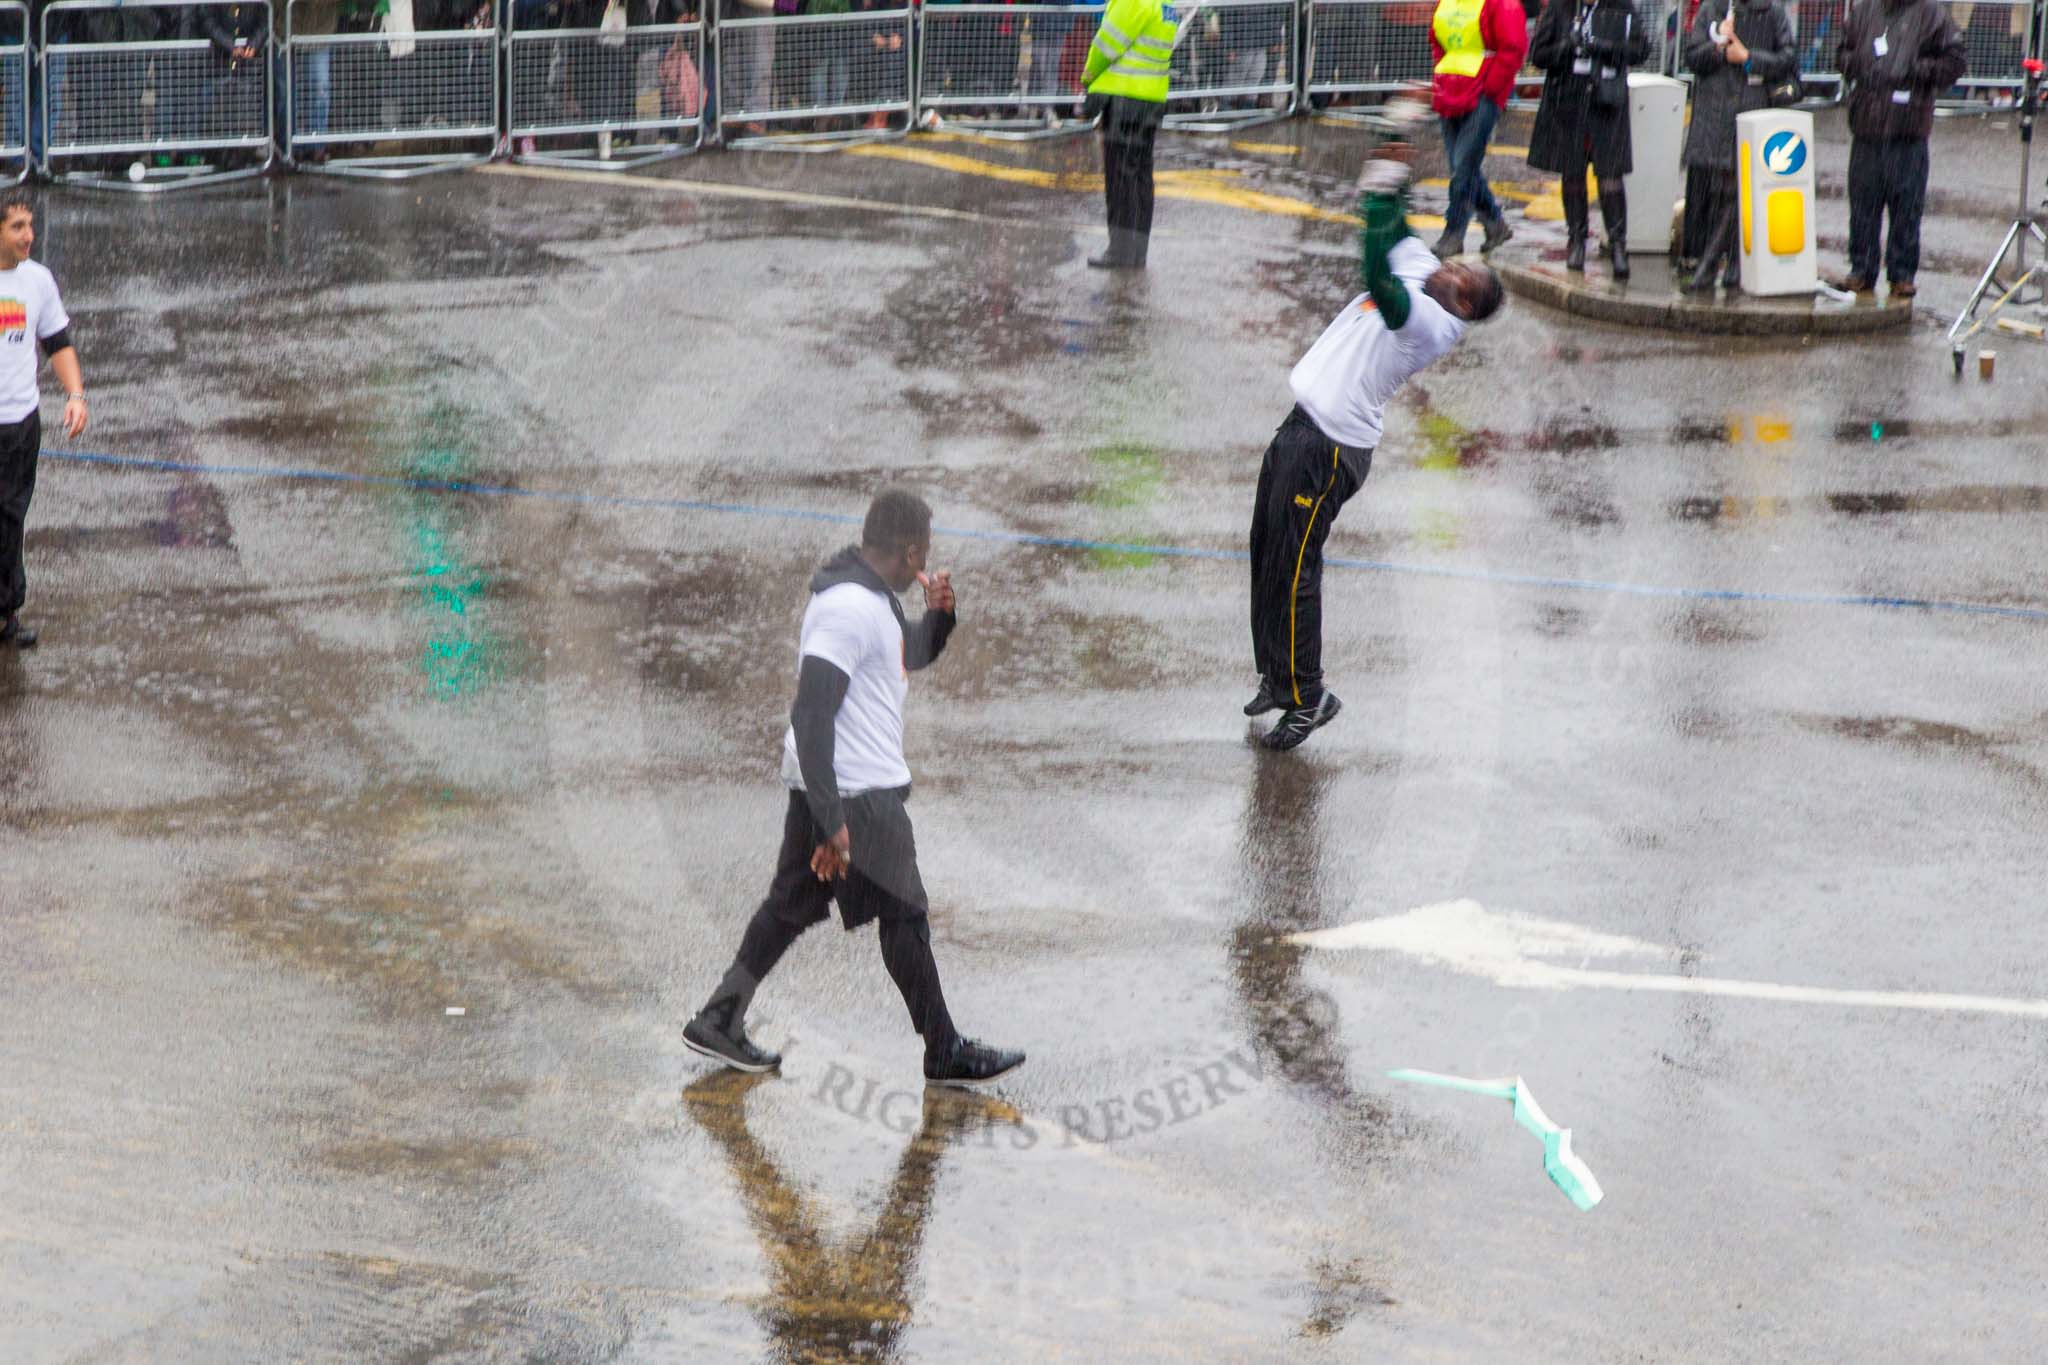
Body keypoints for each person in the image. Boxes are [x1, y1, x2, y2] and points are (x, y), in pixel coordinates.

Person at [683, 489, 1026, 1087]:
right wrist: (832, 818)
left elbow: (905, 656)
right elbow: (813, 711)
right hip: (856, 792)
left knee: (791, 906)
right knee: (904, 915)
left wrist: (940, 617)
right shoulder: (847, 608)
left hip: (836, 785)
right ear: (912, 549)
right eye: (926, 554)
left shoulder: (872, 599)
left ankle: (720, 1015)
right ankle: (943, 1049)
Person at [1245, 145, 1504, 750]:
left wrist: (1381, 195)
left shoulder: (1431, 322)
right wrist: (1390, 182)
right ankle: (1276, 677)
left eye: (1460, 277)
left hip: (1331, 449)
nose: (1449, 269)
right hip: (1301, 425)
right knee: (1267, 552)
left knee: (1297, 572)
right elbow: (1395, 232)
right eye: (1456, 265)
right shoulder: (1427, 272)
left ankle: (1309, 696)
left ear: (1465, 305)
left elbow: (1377, 278)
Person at [0, 190, 88, 651]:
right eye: (17, 227)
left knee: (10, 519)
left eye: (30, 225)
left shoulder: (38, 281)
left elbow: (58, 342)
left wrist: (75, 395)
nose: (29, 235)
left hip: (20, 423)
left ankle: (6, 615)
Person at [1834, 0, 1965, 299]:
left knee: (1906, 206)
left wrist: (1916, 69)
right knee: (1863, 205)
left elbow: (1955, 62)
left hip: (1908, 130)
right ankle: (1861, 269)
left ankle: (1902, 274)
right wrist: (1861, 64)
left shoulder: (1932, 14)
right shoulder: (1865, 11)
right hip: (1867, 126)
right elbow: (1842, 52)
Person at [1527, 0, 1650, 278]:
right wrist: (1567, 46)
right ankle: (1577, 240)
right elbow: (1537, 55)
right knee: (1572, 174)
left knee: (1610, 177)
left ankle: (1618, 245)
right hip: (1569, 104)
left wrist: (1604, 47)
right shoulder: (1561, 7)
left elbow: (1640, 49)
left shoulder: (1621, 6)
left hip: (1606, 104)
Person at [1681, 0, 1796, 292]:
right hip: (1714, 115)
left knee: (1737, 193)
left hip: (1750, 114)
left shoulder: (1772, 14)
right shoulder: (1712, 9)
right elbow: (1692, 56)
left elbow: (1787, 60)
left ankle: (1722, 264)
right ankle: (1714, 261)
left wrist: (1748, 58)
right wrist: (1718, 46)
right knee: (1717, 193)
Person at [1079, 0, 1177, 269]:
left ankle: (1121, 251)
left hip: (1125, 98)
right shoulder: (1165, 3)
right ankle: (1136, 252)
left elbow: (1107, 43)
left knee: (1121, 178)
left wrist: (1088, 76)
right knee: (1141, 177)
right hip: (1152, 96)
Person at [1429, 0, 1529, 258]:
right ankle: (1494, 223)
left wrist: (1490, 88)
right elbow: (1438, 38)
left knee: (1463, 167)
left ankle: (1454, 233)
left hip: (1480, 94)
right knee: (1461, 167)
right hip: (1451, 89)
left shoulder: (1502, 4)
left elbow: (1513, 48)